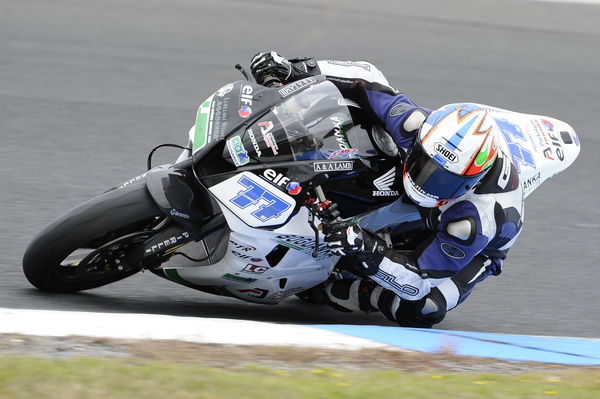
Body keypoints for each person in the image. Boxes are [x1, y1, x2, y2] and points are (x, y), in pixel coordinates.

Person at [248, 51, 568, 328]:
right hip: (432, 192)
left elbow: (417, 281)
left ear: (471, 180)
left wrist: (362, 248)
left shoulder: (475, 219)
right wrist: (293, 69)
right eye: (426, 164)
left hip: (471, 250)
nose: (428, 180)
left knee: (421, 308)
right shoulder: (418, 128)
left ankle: (335, 290)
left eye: (444, 178)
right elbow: (366, 79)